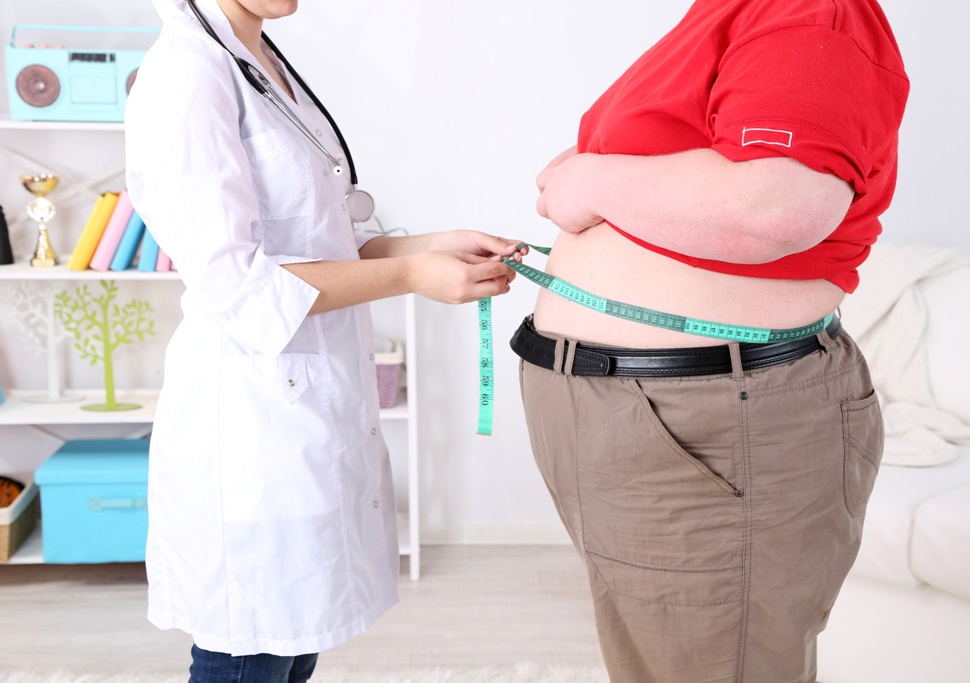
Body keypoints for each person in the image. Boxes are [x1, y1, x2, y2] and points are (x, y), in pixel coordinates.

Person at [123, 0, 522, 681]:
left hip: (305, 406)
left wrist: (433, 245)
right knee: (248, 650)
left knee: (293, 641)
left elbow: (323, 238)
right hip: (249, 420)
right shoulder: (187, 75)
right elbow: (238, 282)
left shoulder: (263, 64)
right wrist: (410, 275)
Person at [512, 1, 909, 681]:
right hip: (639, 413)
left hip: (706, 419)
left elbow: (777, 206)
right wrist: (591, 176)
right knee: (660, 658)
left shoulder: (812, 10)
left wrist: (596, 178)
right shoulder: (724, 14)